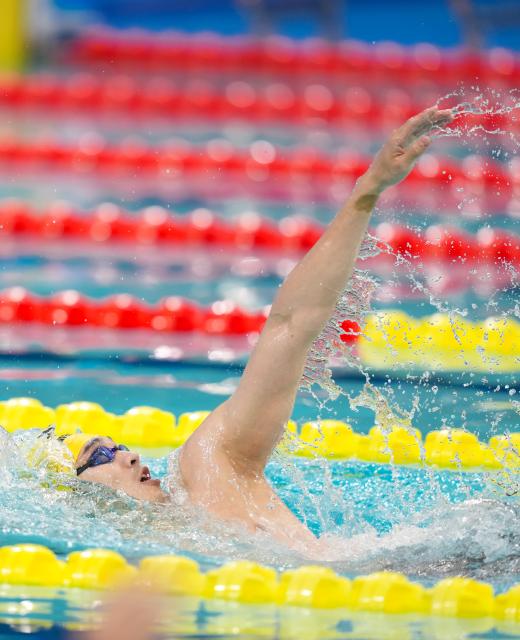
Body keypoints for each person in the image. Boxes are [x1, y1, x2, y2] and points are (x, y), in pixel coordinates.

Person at [63, 107, 454, 556]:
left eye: (119, 446)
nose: (130, 456)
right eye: (100, 456)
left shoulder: (211, 466)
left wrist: (367, 191)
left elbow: (290, 326)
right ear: (70, 496)